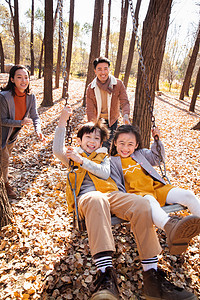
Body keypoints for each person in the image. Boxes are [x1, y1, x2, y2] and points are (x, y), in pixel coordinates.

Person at [53, 106, 197, 300]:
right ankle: (105, 277)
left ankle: (152, 278)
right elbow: (56, 149)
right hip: (89, 197)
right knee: (97, 200)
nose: (92, 141)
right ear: (80, 140)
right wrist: (63, 121)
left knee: (142, 203)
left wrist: (84, 161)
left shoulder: (104, 158)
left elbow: (104, 173)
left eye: (97, 138)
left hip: (113, 195)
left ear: (102, 142)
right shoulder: (71, 156)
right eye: (88, 137)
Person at [110, 124, 200, 255]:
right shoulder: (112, 161)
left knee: (188, 195)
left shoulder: (140, 154)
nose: (125, 148)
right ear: (115, 143)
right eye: (121, 143)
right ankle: (171, 227)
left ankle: (186, 230)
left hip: (157, 188)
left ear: (136, 145)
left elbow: (158, 159)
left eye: (130, 144)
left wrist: (157, 140)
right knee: (150, 201)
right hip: (137, 195)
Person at [0, 64, 45, 199]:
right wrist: (20, 123)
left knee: (5, 160)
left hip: (12, 135)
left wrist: (38, 130)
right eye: (19, 77)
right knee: (5, 159)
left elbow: (35, 116)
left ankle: (4, 176)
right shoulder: (4, 97)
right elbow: (1, 120)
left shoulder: (30, 97)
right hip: (1, 135)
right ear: (12, 79)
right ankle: (6, 186)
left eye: (26, 77)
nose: (23, 81)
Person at [86, 56, 130, 150]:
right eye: (99, 69)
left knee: (106, 147)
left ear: (109, 69)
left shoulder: (118, 84)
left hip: (112, 120)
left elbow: (124, 102)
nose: (103, 72)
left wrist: (125, 115)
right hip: (97, 121)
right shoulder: (91, 88)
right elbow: (89, 109)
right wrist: (91, 125)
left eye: (105, 69)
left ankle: (104, 162)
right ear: (95, 71)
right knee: (95, 145)